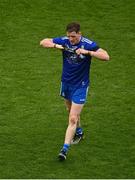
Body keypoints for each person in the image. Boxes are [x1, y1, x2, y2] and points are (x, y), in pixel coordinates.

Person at [40, 22, 110, 161]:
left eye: (73, 36)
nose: (71, 39)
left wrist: (88, 52)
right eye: (69, 36)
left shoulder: (88, 44)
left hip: (81, 86)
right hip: (66, 83)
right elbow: (43, 41)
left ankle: (64, 150)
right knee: (70, 109)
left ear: (79, 34)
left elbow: (106, 56)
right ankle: (79, 132)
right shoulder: (65, 41)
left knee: (72, 118)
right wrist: (56, 46)